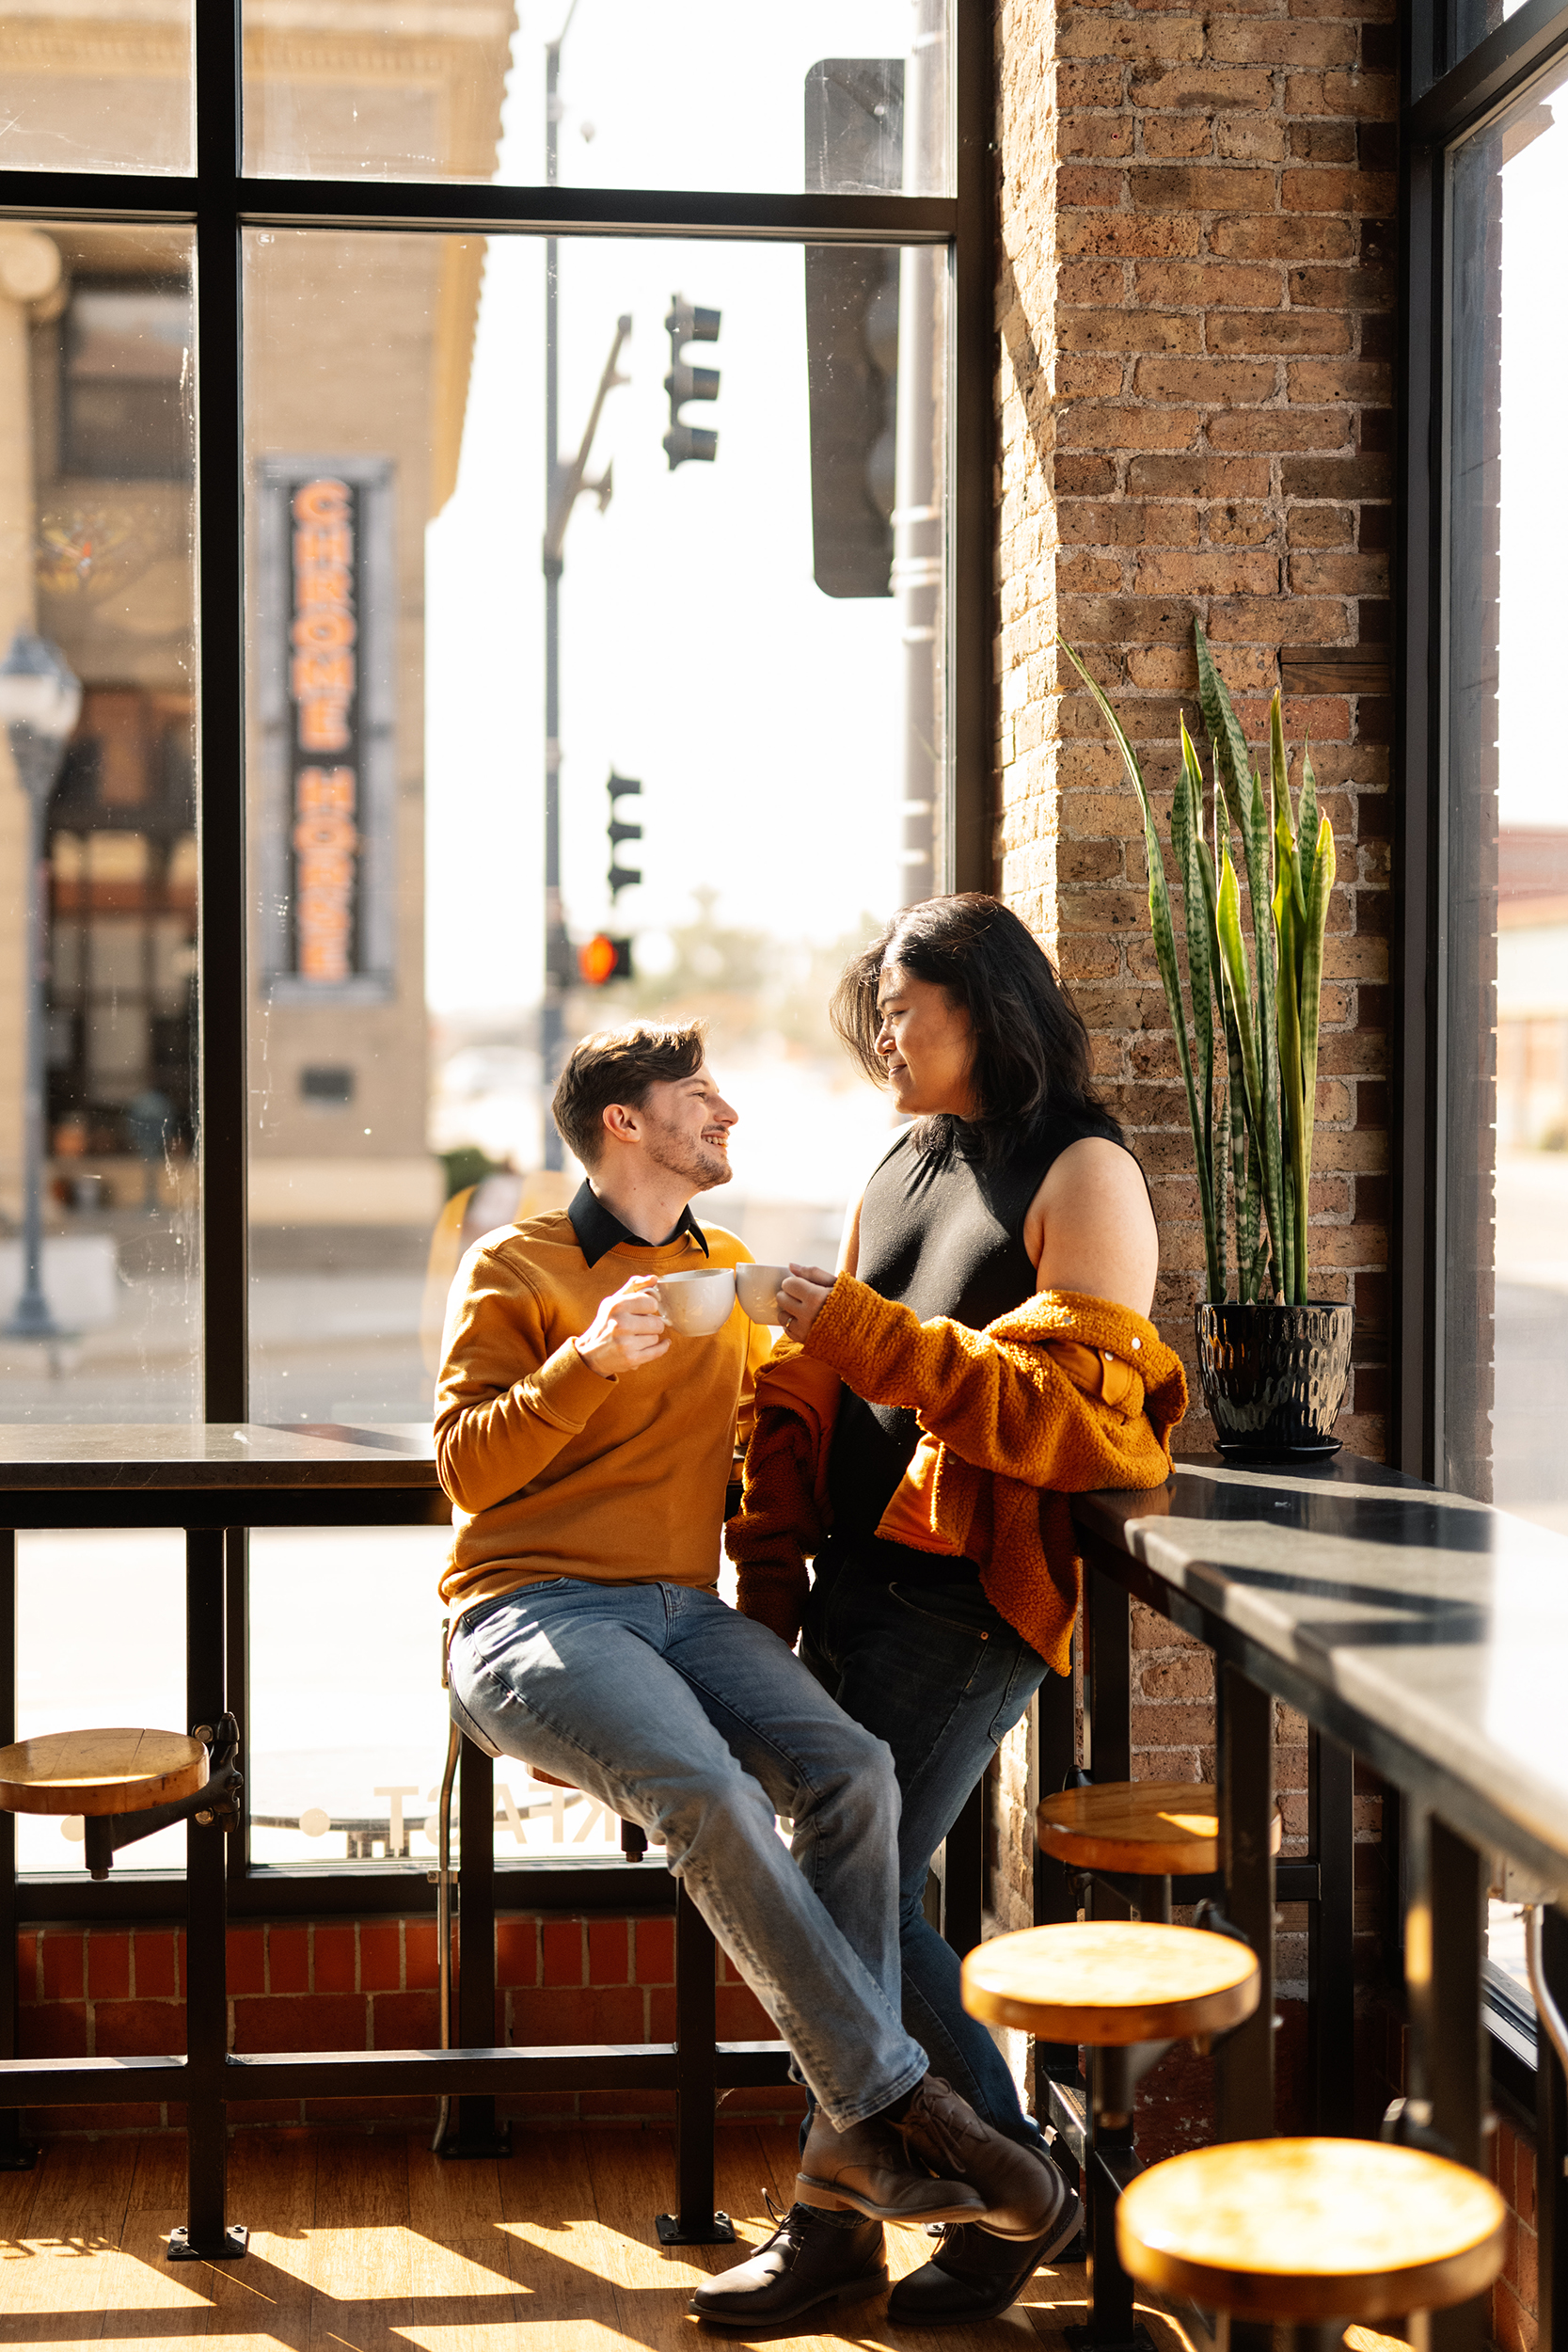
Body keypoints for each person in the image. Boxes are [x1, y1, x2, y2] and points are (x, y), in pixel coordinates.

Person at [436, 1017, 1069, 2331]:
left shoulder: (722, 1268)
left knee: (851, 1774)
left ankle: (847, 2164)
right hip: (527, 1609)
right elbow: (463, 1470)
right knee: (710, 1794)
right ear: (626, 1123)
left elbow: (772, 1432)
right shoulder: (520, 1263)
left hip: (681, 1610)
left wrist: (830, 1350)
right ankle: (903, 2109)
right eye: (697, 1093)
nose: (725, 1110)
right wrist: (582, 1364)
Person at [727, 895, 1186, 2328]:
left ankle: (983, 2195)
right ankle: (955, 2200)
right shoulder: (908, 1156)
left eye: (906, 1006)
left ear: (984, 1008)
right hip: (862, 1582)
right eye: (879, 1006)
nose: (884, 1029)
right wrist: (778, 1546)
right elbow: (855, 1368)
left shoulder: (1083, 1168)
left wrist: (849, 1330)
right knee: (836, 1897)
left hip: (968, 1603)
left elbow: (1074, 1419)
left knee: (821, 1896)